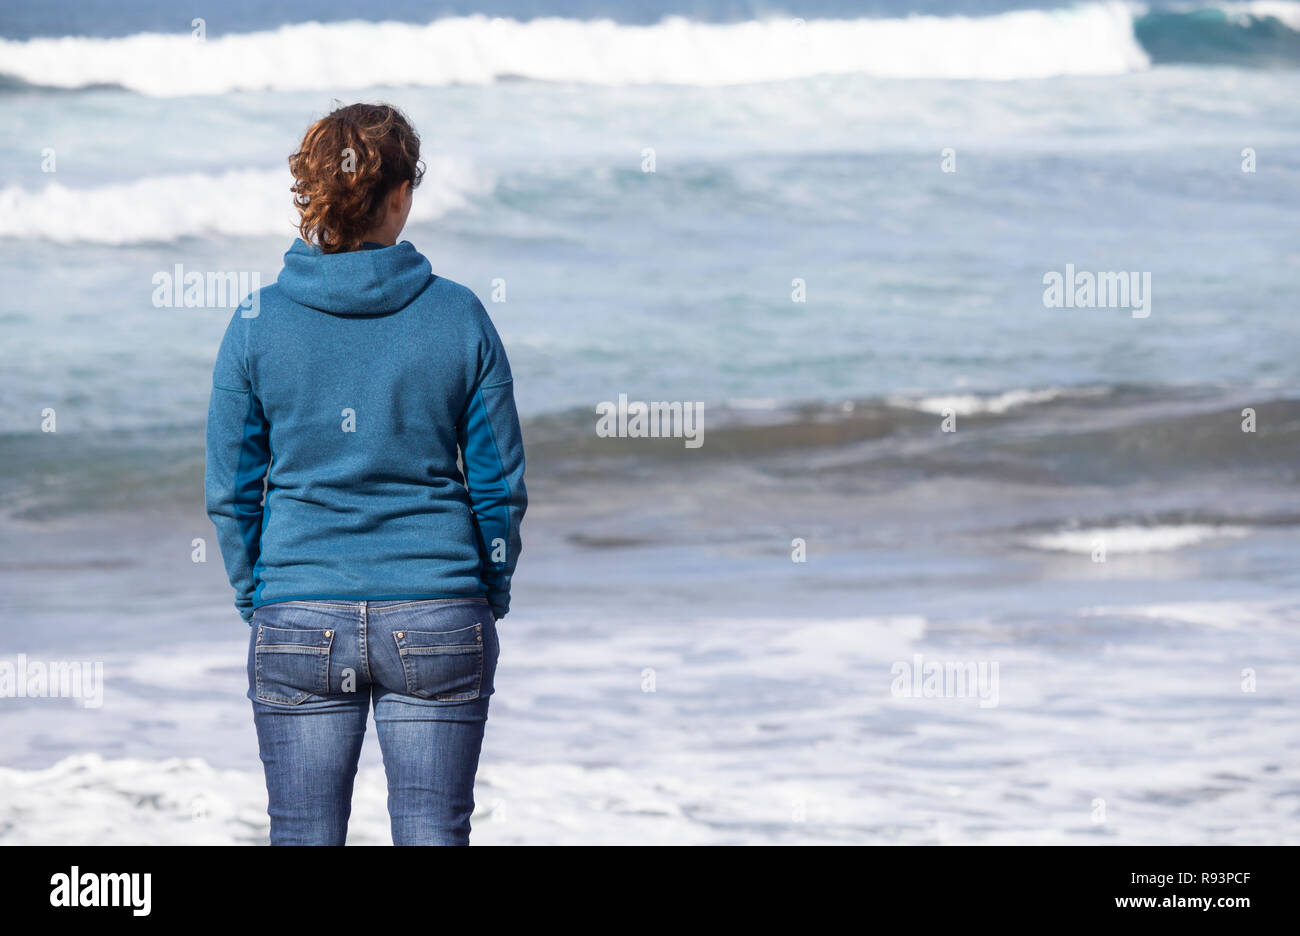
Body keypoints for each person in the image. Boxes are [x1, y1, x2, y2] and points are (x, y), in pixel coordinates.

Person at [204, 103, 526, 845]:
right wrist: (489, 586)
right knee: (432, 832)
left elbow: (231, 491)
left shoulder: (255, 322)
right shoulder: (460, 316)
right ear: (402, 195)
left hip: (298, 613)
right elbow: (499, 484)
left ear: (313, 194)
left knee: (305, 836)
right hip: (439, 608)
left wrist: (263, 593)